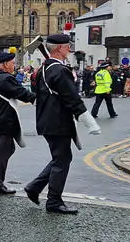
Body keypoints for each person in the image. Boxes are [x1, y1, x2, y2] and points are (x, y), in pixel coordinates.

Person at [25, 34, 100, 214]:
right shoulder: (58, 70)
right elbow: (71, 97)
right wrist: (89, 122)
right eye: (67, 46)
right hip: (57, 121)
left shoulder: (44, 69)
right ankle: (53, 201)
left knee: (61, 157)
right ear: (59, 48)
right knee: (62, 160)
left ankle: (35, 187)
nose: (69, 49)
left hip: (48, 120)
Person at [0, 49, 36, 194]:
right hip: (3, 120)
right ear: (6, 64)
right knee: (2, 152)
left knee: (7, 149)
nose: (14, 65)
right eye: (12, 63)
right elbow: (21, 93)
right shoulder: (5, 78)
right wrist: (38, 99)